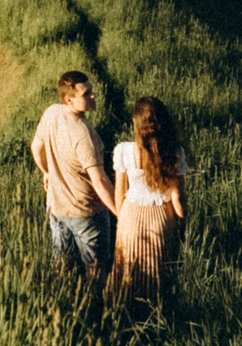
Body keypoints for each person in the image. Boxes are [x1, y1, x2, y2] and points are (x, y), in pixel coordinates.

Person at [29, 70, 117, 280]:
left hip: (56, 208)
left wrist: (47, 172)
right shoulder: (84, 134)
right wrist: (120, 213)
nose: (93, 96)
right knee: (96, 270)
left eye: (91, 91)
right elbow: (100, 180)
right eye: (86, 94)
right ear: (69, 100)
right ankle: (97, 309)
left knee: (61, 265)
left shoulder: (51, 113)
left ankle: (64, 304)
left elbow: (35, 147)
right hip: (87, 213)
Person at [109, 96, 187, 301]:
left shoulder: (123, 150)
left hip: (130, 217)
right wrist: (182, 226)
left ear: (135, 123)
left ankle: (123, 312)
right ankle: (155, 315)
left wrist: (121, 221)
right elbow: (177, 197)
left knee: (127, 270)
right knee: (157, 271)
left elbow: (119, 191)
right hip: (162, 218)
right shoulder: (175, 152)